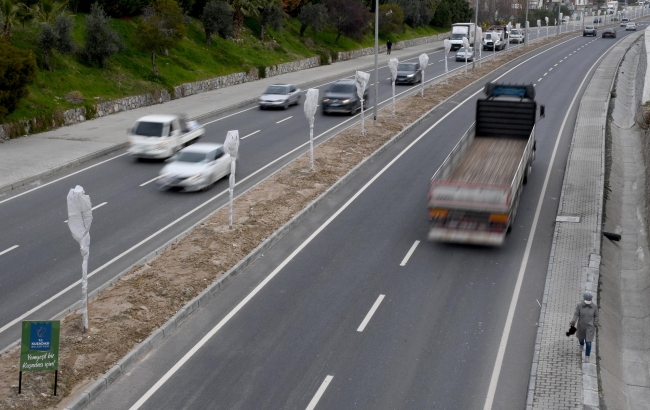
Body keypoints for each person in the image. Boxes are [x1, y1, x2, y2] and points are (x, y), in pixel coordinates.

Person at [570, 292, 599, 362]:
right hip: (581, 326)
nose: (588, 300)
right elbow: (576, 315)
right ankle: (581, 344)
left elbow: (596, 316)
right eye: (587, 299)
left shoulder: (594, 307)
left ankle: (587, 355)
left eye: (590, 299)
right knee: (581, 339)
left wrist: (595, 323)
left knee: (589, 342)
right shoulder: (579, 306)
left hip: (590, 327)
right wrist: (573, 322)